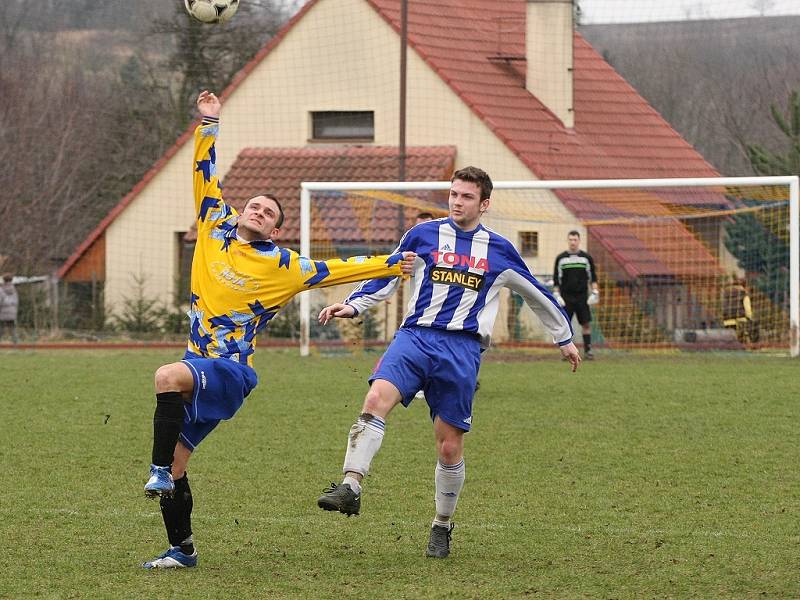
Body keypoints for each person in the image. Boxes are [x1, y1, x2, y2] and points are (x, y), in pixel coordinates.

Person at [140, 90, 416, 570]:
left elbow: (338, 269)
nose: (259, 211)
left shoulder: (284, 265)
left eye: (269, 213)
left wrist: (392, 264)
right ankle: (182, 549)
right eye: (255, 205)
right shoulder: (212, 226)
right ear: (241, 211)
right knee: (183, 460)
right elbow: (203, 173)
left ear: (274, 230)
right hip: (201, 364)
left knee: (166, 377)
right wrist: (209, 123)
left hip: (229, 371)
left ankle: (157, 470)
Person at [316, 166, 580, 558]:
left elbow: (537, 293)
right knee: (374, 401)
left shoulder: (499, 250)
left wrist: (564, 338)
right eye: (454, 194)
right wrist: (353, 305)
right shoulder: (422, 235)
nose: (457, 201)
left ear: (484, 204)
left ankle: (441, 525)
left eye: (466, 196)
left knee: (448, 448)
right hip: (414, 337)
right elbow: (389, 272)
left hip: (461, 350)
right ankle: (351, 485)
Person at [552, 231, 599, 359]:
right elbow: (557, 278)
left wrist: (595, 292)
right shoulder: (561, 258)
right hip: (566, 298)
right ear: (568, 241)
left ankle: (588, 351)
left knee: (586, 324)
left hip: (582, 297)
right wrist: (556, 294)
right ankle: (566, 352)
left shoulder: (586, 258)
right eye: (570, 240)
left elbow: (593, 277)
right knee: (565, 325)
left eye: (575, 240)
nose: (573, 242)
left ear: (579, 241)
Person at [0, 274, 19, 344]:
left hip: (3, 312)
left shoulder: (1, 289)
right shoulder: (14, 289)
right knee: (13, 328)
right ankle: (16, 343)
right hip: (12, 311)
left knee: (1, 328)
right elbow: (16, 301)